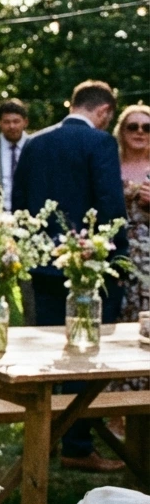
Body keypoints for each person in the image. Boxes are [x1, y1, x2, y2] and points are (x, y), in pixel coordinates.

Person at [11, 79, 127, 472]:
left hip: (42, 265)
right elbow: (110, 204)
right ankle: (76, 445)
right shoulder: (100, 143)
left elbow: (19, 204)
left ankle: (43, 438)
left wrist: (28, 254)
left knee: (47, 353)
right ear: (104, 111)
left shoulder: (34, 143)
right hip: (88, 267)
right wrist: (118, 259)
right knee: (85, 354)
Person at [113, 104, 150, 396]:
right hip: (118, 253)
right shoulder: (110, 165)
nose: (140, 132)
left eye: (146, 127)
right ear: (121, 131)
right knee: (119, 321)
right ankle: (116, 403)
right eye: (132, 126)